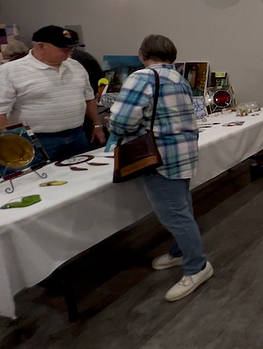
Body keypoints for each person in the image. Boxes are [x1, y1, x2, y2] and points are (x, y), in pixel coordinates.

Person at [107, 34, 212, 302]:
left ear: (143, 54)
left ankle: (197, 267)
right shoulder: (179, 78)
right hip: (182, 154)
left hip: (159, 159)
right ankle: (179, 252)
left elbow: (121, 122)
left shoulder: (141, 78)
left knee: (176, 216)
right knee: (182, 208)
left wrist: (113, 124)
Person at [0, 25, 104, 161]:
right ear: (41, 46)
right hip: (38, 140)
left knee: (84, 172)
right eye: (64, 48)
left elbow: (89, 98)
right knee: (42, 174)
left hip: (77, 135)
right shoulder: (10, 71)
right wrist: (10, 143)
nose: (70, 51)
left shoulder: (76, 66)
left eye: (71, 48)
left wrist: (97, 125)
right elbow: (1, 111)